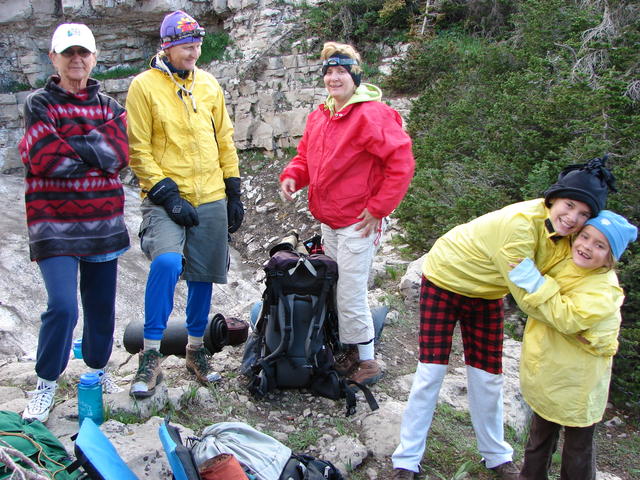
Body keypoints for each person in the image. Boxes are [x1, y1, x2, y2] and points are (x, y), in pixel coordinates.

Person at [390, 157, 617, 480]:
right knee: (432, 371)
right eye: (569, 206)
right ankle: (407, 460)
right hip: (445, 279)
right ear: (553, 199)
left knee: (488, 375)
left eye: (584, 214)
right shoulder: (520, 226)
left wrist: (588, 323)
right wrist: (572, 324)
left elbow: (564, 283)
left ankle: (496, 455)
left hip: (486, 292)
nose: (573, 218)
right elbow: (527, 299)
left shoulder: (571, 236)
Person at [279, 41, 415, 386]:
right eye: (329, 72)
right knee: (336, 285)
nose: (334, 78)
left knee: (350, 292)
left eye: (341, 71)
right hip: (331, 220)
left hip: (358, 221)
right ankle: (351, 347)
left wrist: (379, 207)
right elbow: (306, 159)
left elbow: (401, 163)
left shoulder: (372, 114)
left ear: (354, 76)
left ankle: (367, 361)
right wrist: (293, 176)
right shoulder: (320, 116)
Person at [126, 10, 243, 398]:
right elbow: (138, 149)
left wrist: (234, 190)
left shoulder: (209, 85)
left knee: (204, 274)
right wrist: (167, 195)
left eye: (196, 45)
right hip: (165, 196)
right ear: (167, 46)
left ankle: (195, 350)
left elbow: (224, 139)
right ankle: (151, 354)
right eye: (185, 45)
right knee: (167, 262)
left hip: (211, 192)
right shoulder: (143, 86)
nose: (193, 52)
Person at [18, 23, 130, 422]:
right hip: (53, 225)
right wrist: (94, 153)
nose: (77, 59)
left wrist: (74, 147)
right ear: (54, 58)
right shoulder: (38, 104)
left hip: (103, 222)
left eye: (83, 52)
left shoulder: (111, 107)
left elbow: (118, 153)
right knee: (63, 306)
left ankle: (98, 372)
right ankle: (46, 381)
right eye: (68, 53)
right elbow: (43, 157)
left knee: (100, 307)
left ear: (94, 58)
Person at [510, 210, 637, 480]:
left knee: (578, 448)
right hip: (550, 373)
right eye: (585, 236)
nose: (586, 247)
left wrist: (536, 283)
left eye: (599, 245)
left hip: (579, 383)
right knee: (539, 438)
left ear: (610, 258)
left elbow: (569, 318)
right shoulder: (565, 262)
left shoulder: (604, 289)